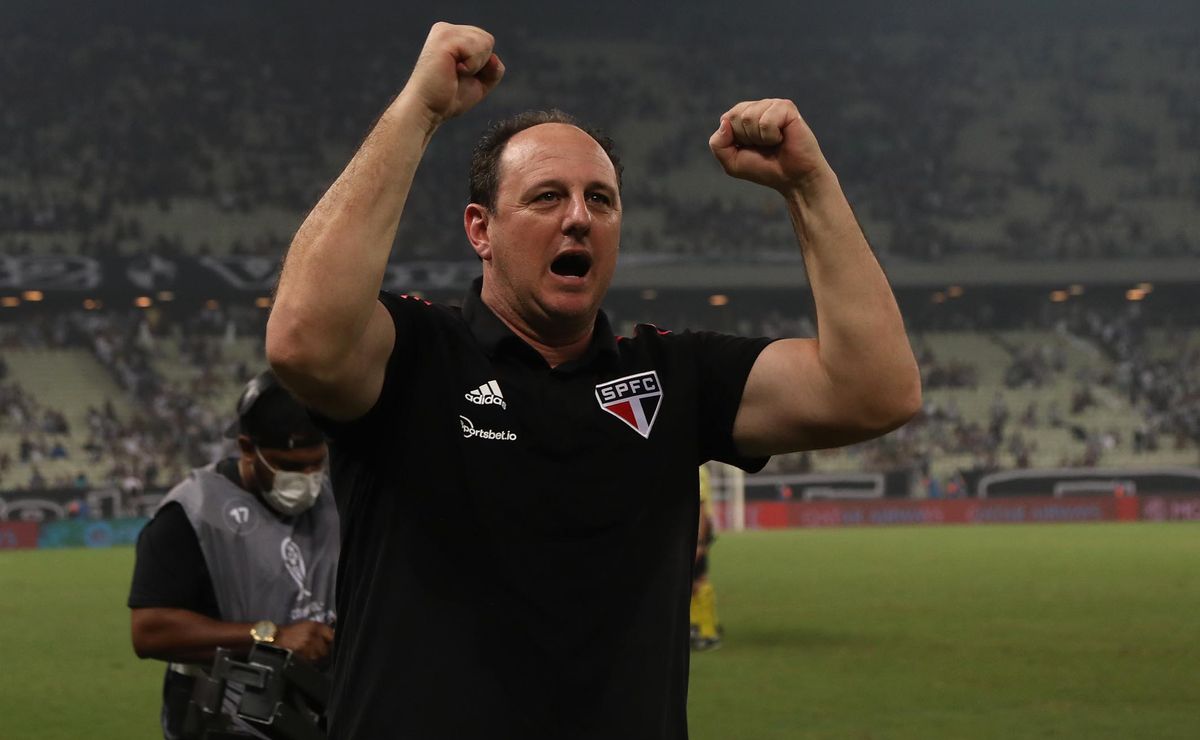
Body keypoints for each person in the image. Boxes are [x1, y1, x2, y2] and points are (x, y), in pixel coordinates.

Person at [266, 22, 921, 739]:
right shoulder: (418, 356)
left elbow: (877, 390)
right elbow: (302, 339)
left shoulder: (674, 376)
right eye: (547, 197)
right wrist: (419, 110)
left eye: (601, 200)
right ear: (481, 230)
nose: (579, 218)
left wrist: (809, 184)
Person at [128, 370, 339, 739]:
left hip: (327, 712)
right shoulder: (191, 513)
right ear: (246, 447)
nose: (308, 478)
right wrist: (272, 637)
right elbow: (150, 630)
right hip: (226, 722)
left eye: (316, 463)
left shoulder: (337, 498)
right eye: (289, 466)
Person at [690, 464, 721, 651]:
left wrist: (700, 541)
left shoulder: (696, 469)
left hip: (695, 533)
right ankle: (696, 625)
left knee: (699, 580)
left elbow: (700, 506)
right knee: (692, 581)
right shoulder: (700, 468)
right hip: (695, 531)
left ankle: (707, 633)